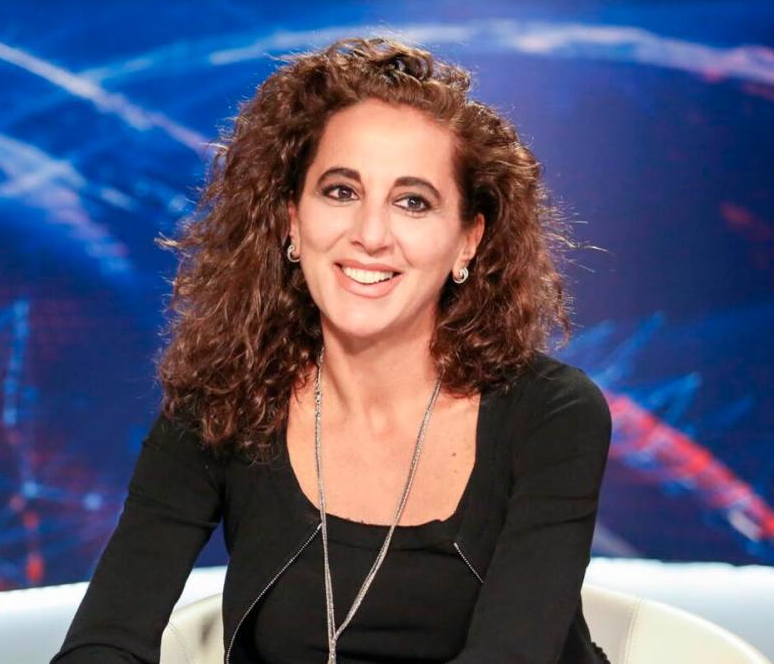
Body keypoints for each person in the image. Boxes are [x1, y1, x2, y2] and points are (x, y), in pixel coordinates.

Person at [51, 36, 613, 664]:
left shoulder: (552, 414)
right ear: (293, 219)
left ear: (468, 241)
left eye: (412, 202)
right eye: (341, 191)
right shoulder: (222, 403)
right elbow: (106, 638)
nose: (370, 234)